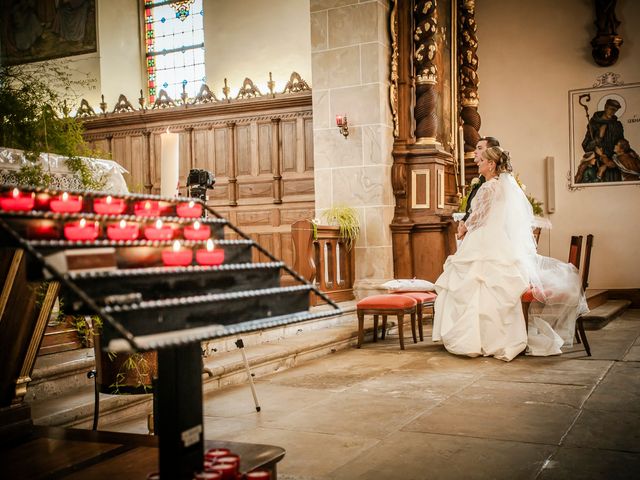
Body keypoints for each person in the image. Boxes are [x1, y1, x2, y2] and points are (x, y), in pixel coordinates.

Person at [434, 146, 588, 362]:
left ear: (491, 164)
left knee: (476, 285)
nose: (477, 162)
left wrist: (463, 227)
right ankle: (498, 336)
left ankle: (477, 339)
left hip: (484, 241)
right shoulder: (502, 186)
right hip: (498, 241)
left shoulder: (488, 188)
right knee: (490, 289)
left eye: (482, 160)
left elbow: (480, 217)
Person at [459, 136, 500, 238]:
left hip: (485, 234)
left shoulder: (490, 185)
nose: (475, 151)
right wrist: (463, 220)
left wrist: (465, 227)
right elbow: (473, 207)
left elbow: (481, 212)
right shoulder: (483, 179)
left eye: (480, 148)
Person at [582, 98, 624, 182]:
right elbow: (586, 146)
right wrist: (599, 138)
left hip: (613, 164)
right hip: (597, 164)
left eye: (615, 110)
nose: (613, 112)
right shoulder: (593, 123)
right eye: (611, 109)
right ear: (605, 107)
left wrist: (611, 162)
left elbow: (622, 145)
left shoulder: (617, 125)